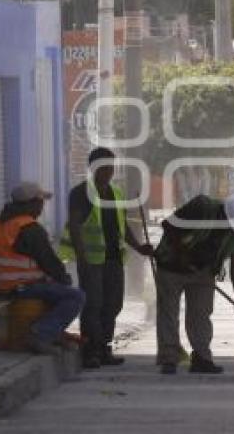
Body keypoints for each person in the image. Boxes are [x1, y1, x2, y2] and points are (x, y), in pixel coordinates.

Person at [62, 147, 154, 369]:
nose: (109, 172)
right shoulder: (80, 193)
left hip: (113, 260)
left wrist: (139, 247)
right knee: (93, 305)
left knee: (113, 305)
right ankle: (90, 351)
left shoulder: (116, 193)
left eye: (112, 167)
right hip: (91, 261)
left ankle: (104, 348)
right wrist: (82, 257)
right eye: (105, 167)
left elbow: (123, 228)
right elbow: (75, 226)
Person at [154, 193, 234, 375]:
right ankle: (169, 358)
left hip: (203, 271)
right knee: (169, 311)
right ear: (224, 214)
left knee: (201, 314)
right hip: (172, 266)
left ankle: (201, 357)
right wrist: (182, 255)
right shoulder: (202, 206)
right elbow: (168, 225)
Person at [0, 182, 85, 354]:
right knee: (75, 296)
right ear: (30, 203)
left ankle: (52, 333)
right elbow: (49, 261)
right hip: (22, 287)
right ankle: (41, 334)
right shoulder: (28, 228)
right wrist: (64, 279)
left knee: (53, 288)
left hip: (3, 286)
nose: (42, 206)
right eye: (40, 202)